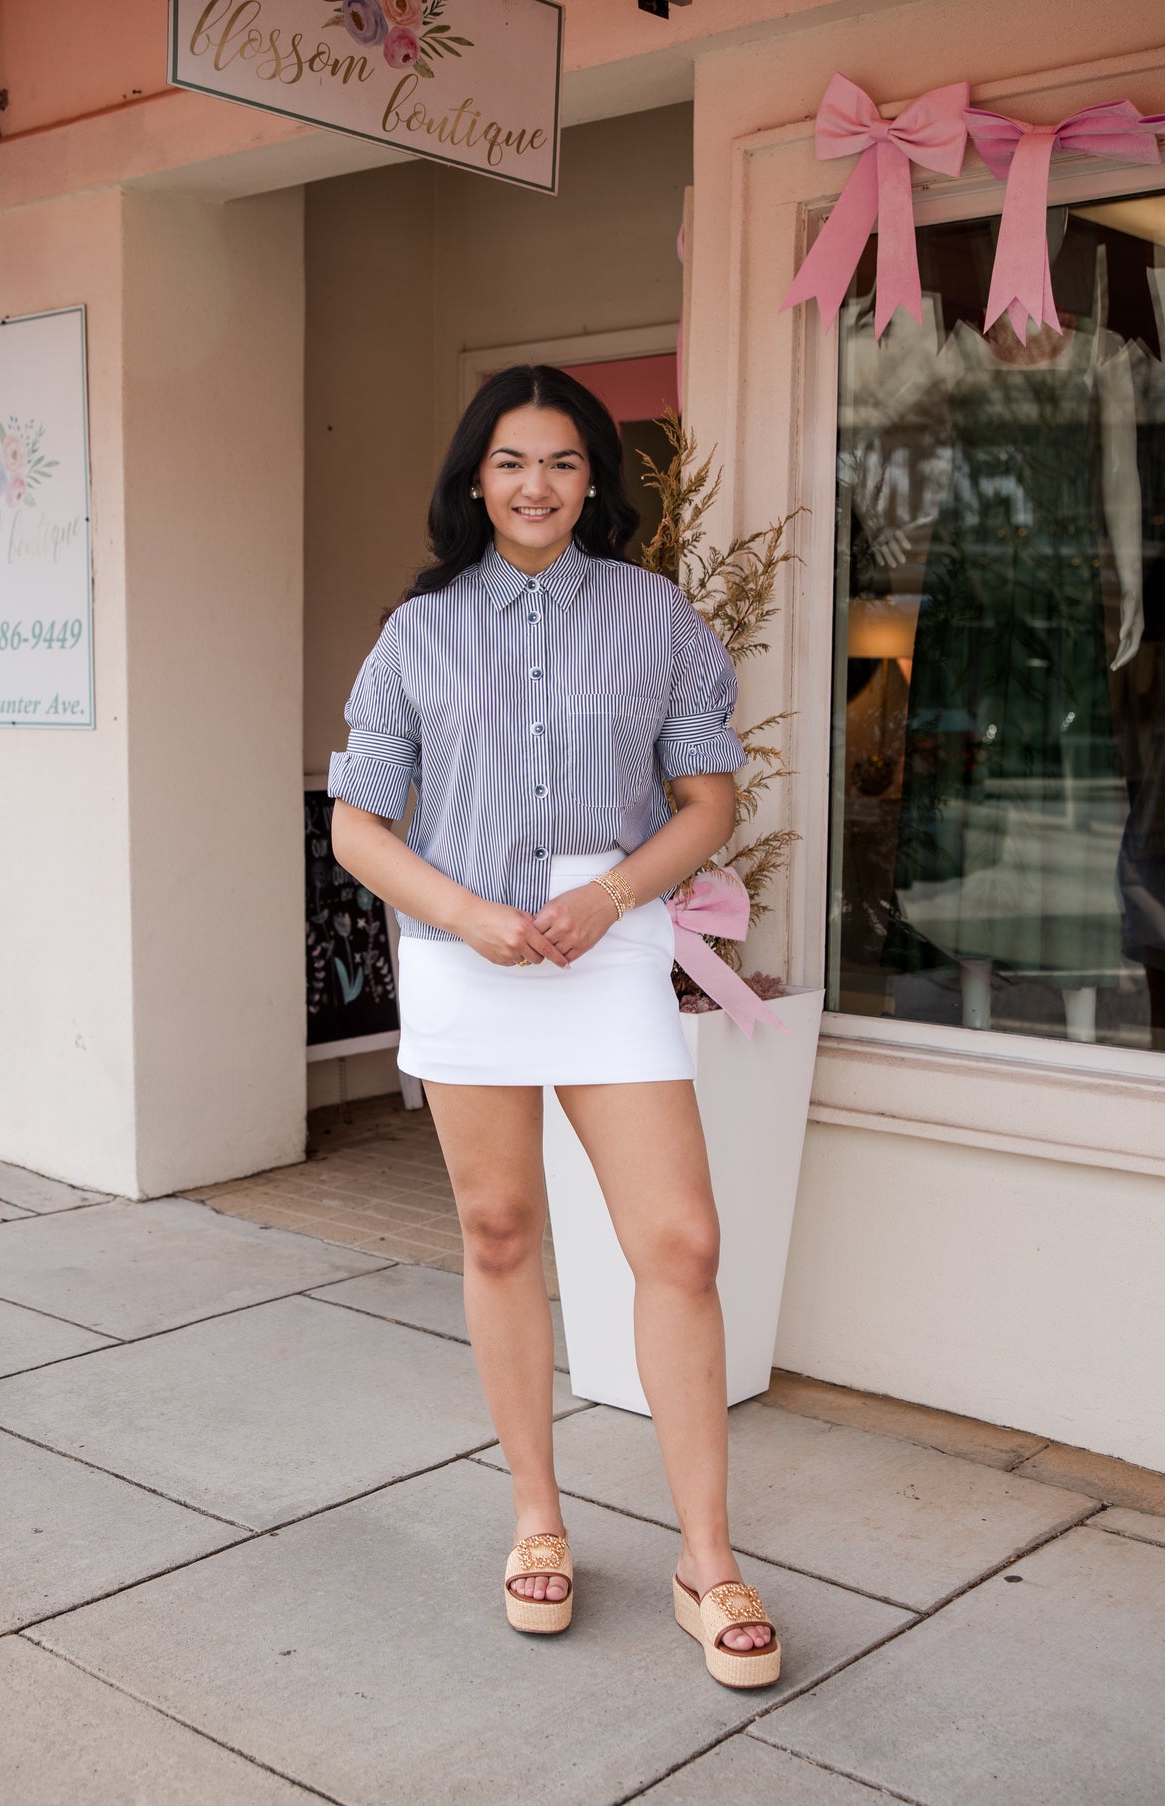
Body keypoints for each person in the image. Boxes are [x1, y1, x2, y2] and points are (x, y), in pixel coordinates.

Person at [327, 364, 780, 1689]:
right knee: (498, 1229)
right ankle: (537, 1517)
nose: (538, 483)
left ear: (596, 478)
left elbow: (704, 799)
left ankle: (708, 1557)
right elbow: (357, 822)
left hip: (609, 943)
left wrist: (613, 895)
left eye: (565, 460)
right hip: (467, 954)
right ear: (476, 478)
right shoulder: (414, 634)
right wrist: (463, 915)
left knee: (680, 1242)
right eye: (513, 460)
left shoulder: (657, 620)